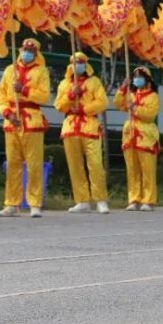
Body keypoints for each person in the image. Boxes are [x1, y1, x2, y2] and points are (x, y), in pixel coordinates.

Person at [0, 38, 51, 218]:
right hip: (12, 121)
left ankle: (35, 203)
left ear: (36, 53)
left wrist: (25, 90)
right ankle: (12, 203)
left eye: (31, 49)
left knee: (34, 164)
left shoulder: (42, 71)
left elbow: (44, 97)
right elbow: (2, 95)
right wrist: (8, 114)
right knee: (12, 163)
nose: (27, 52)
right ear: (20, 50)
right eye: (25, 48)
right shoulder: (10, 70)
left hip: (32, 121)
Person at [55, 52, 109, 214]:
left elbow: (102, 102)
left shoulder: (94, 82)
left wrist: (84, 108)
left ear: (86, 65)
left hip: (90, 126)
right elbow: (59, 105)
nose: (78, 65)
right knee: (75, 166)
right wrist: (72, 95)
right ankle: (82, 200)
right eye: (75, 62)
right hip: (71, 127)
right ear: (70, 65)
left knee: (96, 165)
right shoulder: (64, 84)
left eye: (81, 62)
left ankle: (100, 199)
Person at [114, 66, 160, 211]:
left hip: (146, 136)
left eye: (140, 76)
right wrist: (123, 88)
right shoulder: (131, 94)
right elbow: (117, 104)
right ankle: (134, 199)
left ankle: (148, 200)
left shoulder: (153, 96)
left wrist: (135, 109)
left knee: (147, 170)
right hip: (130, 135)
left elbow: (150, 115)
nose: (137, 79)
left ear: (147, 79)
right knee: (132, 170)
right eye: (135, 77)